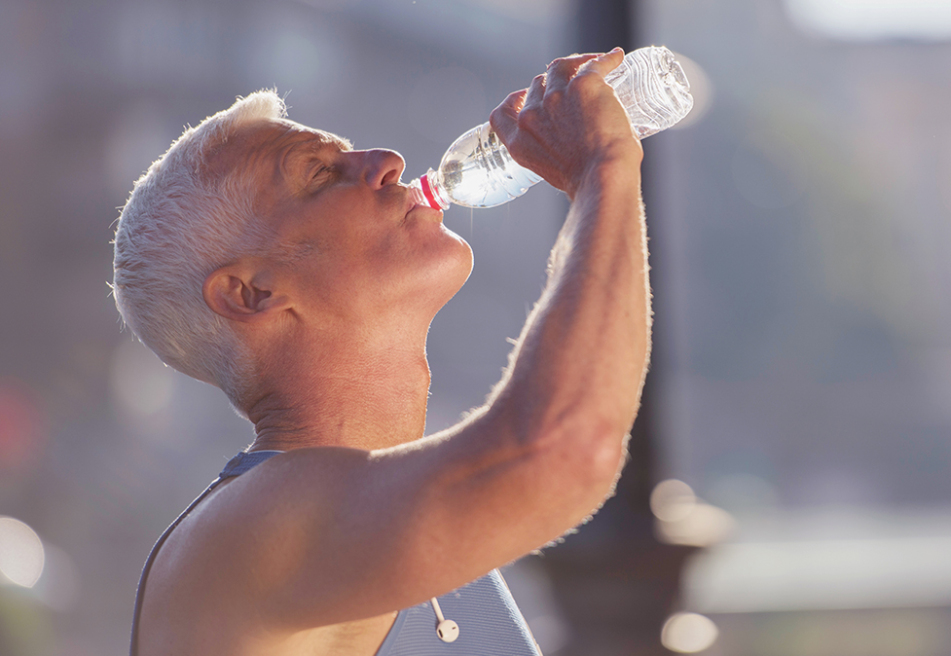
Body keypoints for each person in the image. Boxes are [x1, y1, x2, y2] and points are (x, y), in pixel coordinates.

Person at [111, 47, 649, 655]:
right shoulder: (254, 527)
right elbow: (564, 450)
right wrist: (603, 165)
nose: (388, 161)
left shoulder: (383, 510)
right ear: (252, 292)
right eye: (320, 174)